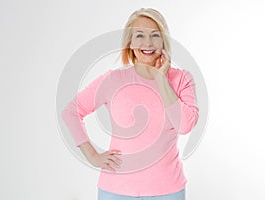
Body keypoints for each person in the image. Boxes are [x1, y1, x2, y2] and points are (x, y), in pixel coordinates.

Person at [62, 8, 199, 200]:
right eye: (140, 35)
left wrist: (161, 80)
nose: (148, 43)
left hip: (168, 190)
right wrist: (92, 156)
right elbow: (71, 111)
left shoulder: (181, 79)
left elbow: (185, 125)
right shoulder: (113, 80)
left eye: (155, 35)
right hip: (115, 190)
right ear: (130, 42)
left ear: (163, 41)